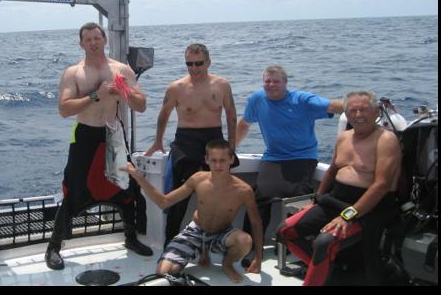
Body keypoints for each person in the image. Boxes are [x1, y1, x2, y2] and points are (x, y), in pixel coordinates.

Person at [45, 22, 153, 271]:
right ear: (81, 44)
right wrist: (95, 95)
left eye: (97, 38)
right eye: (88, 39)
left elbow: (141, 105)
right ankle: (54, 246)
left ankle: (130, 238)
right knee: (73, 189)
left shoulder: (122, 70)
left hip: (114, 133)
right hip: (85, 136)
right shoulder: (74, 73)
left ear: (105, 40)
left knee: (126, 187)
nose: (93, 42)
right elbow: (64, 109)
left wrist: (122, 91)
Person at [278, 91, 402, 286]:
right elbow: (332, 171)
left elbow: (382, 185)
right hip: (334, 200)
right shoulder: (344, 137)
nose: (358, 115)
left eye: (364, 109)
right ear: (346, 114)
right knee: (286, 231)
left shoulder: (386, 140)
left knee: (323, 243)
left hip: (367, 208)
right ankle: (330, 273)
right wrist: (316, 200)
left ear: (376, 112)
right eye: (353, 110)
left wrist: (347, 216)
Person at [124, 139, 263, 283]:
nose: (217, 165)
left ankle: (227, 264)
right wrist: (137, 175)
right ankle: (200, 250)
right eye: (213, 160)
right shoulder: (198, 180)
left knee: (245, 241)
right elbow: (163, 202)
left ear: (232, 159)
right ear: (206, 160)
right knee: (163, 272)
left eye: (222, 160)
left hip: (222, 232)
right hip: (195, 232)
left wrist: (258, 258)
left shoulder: (244, 190)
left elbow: (256, 223)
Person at [236, 65, 343, 247]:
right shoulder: (257, 99)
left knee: (302, 201)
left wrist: (364, 107)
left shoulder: (301, 100)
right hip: (273, 158)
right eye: (267, 81)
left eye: (276, 81)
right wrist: (232, 149)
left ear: (285, 83)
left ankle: (300, 249)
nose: (271, 85)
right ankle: (251, 247)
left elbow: (335, 106)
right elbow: (244, 123)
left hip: (302, 158)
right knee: (258, 198)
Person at [144, 43, 239, 247]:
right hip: (186, 143)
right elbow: (163, 115)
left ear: (208, 62)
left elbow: (231, 114)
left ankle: (216, 242)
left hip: (214, 141)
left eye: (198, 63)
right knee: (178, 198)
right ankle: (170, 242)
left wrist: (231, 144)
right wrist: (158, 140)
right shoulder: (176, 87)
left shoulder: (222, 85)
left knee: (217, 196)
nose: (194, 68)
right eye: (189, 64)